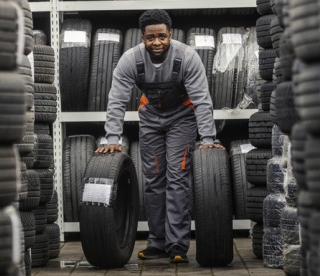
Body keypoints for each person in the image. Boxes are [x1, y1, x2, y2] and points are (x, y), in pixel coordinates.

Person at [94, 9, 224, 263]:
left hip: (182, 119)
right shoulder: (130, 60)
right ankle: (157, 242)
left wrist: (208, 138)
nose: (157, 43)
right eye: (151, 38)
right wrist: (112, 139)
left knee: (177, 177)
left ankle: (177, 245)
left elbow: (201, 99)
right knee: (154, 180)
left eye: (162, 37)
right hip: (150, 118)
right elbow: (117, 100)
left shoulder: (187, 57)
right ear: (142, 37)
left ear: (170, 35)